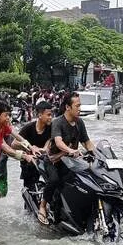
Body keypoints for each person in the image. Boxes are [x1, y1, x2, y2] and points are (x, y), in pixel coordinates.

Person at [40, 92, 96, 223]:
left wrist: (98, 154)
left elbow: (87, 142)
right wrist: (71, 150)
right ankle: (42, 206)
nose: (80, 109)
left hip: (71, 162)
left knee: (87, 178)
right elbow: (58, 142)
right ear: (67, 107)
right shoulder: (57, 122)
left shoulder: (79, 122)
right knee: (54, 180)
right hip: (54, 161)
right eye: (77, 106)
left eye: (80, 105)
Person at [17, 101, 55, 223]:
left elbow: (48, 144)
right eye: (48, 115)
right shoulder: (28, 128)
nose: (51, 117)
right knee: (30, 186)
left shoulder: (51, 128)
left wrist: (43, 149)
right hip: (29, 161)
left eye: (51, 114)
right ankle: (28, 212)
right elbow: (13, 143)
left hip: (45, 160)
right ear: (40, 115)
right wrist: (29, 147)